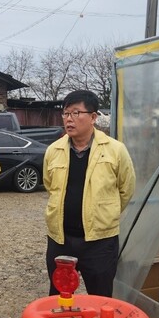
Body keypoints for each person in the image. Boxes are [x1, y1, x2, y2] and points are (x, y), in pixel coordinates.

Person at [43, 89, 136, 297]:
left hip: (100, 241)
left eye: (76, 113)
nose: (69, 119)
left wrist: (104, 213)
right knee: (60, 296)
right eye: (66, 113)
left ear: (93, 117)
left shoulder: (115, 150)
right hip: (61, 239)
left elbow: (126, 189)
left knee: (101, 296)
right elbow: (49, 186)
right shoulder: (54, 150)